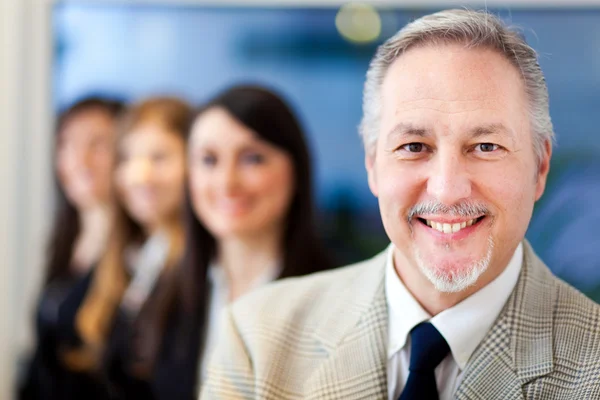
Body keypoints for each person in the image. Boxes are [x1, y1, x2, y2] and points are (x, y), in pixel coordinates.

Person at [201, 9, 600, 400]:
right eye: (413, 146)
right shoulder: (257, 336)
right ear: (373, 164)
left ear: (540, 167)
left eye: (485, 146)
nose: (447, 189)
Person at [153, 85, 334, 399]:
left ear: (296, 169)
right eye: (209, 160)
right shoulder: (165, 296)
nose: (227, 182)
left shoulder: (336, 305)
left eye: (252, 159)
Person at [57, 97, 191, 399]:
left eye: (159, 158)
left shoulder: (196, 272)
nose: (139, 175)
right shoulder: (133, 258)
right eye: (127, 159)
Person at [19, 97, 123, 400]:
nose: (80, 159)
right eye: (66, 144)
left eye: (98, 144)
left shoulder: (137, 257)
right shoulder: (67, 239)